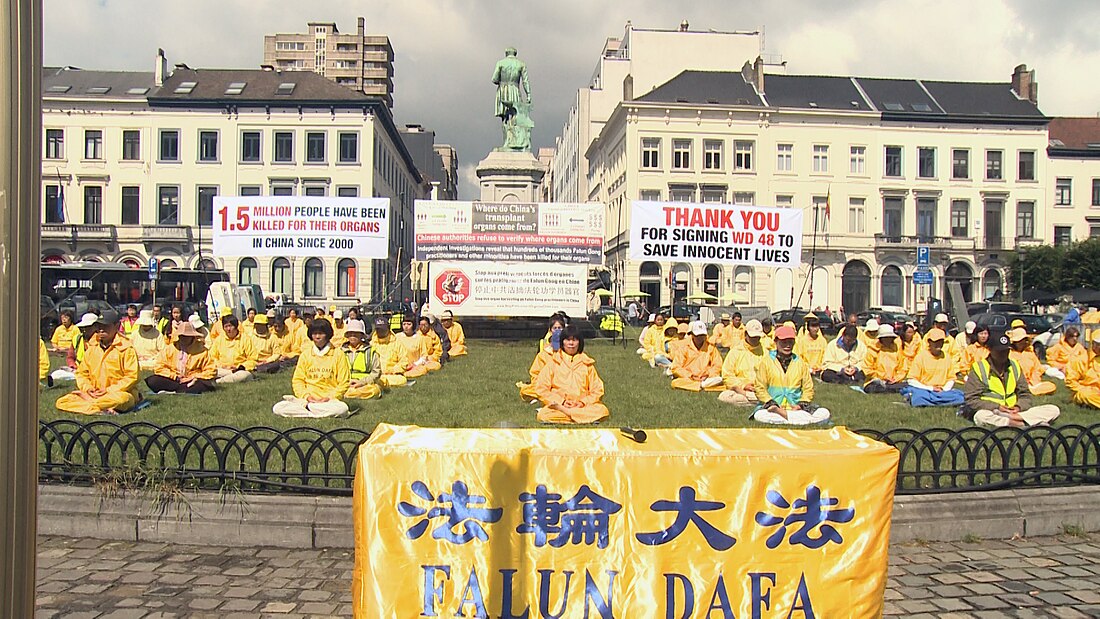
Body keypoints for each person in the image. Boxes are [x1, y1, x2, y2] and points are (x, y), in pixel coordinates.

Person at [960, 329, 1061, 427]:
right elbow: (971, 399)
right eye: (999, 351)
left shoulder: (1015, 366)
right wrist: (997, 407)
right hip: (992, 411)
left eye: (1006, 351)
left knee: (1053, 409)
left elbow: (1025, 394)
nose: (1003, 354)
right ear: (990, 350)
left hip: (1014, 411)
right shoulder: (979, 368)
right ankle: (1022, 423)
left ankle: (1013, 419)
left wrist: (1018, 407)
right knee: (981, 417)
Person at [55, 311, 141, 415]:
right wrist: (88, 389)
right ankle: (99, 408)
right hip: (93, 393)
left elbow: (132, 377)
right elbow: (82, 373)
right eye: (99, 326)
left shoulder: (126, 348)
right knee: (62, 401)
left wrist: (109, 390)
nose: (101, 329)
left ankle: (90, 406)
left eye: (105, 326)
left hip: (117, 394)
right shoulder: (92, 347)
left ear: (117, 326)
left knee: (123, 399)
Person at [750, 325, 830, 425]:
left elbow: (808, 388)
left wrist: (801, 404)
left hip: (796, 408)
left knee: (824, 412)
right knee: (760, 415)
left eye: (790, 342)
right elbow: (760, 387)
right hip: (773, 407)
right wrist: (770, 402)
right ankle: (801, 421)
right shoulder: (766, 362)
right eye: (784, 342)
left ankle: (786, 417)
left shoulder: (800, 363)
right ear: (776, 342)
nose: (787, 345)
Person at [273, 319, 351, 418]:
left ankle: (307, 411)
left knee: (342, 409)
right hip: (308, 399)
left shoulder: (338, 354)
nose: (317, 337)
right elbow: (298, 380)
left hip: (329, 401)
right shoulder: (305, 355)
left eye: (321, 333)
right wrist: (307, 397)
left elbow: (344, 382)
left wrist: (329, 397)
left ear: (327, 334)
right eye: (314, 333)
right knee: (278, 407)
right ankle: (313, 410)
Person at [532, 325, 609, 424]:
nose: (571, 343)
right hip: (560, 405)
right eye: (568, 340)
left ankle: (568, 414)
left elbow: (597, 390)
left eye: (575, 340)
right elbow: (541, 389)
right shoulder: (553, 363)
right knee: (543, 414)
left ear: (580, 343)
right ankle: (581, 418)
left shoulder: (587, 364)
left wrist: (582, 402)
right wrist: (562, 401)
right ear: (562, 342)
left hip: (582, 406)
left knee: (602, 410)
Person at [145, 321, 217, 394]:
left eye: (186, 336)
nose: (183, 339)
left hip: (193, 380)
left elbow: (211, 370)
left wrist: (194, 377)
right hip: (174, 379)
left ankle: (178, 389)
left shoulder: (202, 350)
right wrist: (175, 377)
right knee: (152, 380)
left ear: (192, 337)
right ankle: (181, 389)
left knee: (201, 384)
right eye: (181, 336)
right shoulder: (170, 349)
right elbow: (159, 367)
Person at [903, 328, 965, 407]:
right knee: (919, 397)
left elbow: (951, 378)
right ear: (929, 342)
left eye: (940, 342)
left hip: (943, 391)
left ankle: (934, 401)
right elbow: (911, 380)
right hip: (925, 390)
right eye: (935, 342)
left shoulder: (947, 357)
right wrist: (931, 388)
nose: (938, 344)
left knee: (960, 396)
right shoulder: (921, 356)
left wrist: (943, 389)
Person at [718, 320, 768, 406]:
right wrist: (743, 386)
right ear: (745, 334)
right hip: (740, 390)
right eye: (753, 337)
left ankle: (757, 400)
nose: (755, 339)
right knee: (724, 396)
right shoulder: (735, 351)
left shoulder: (766, 352)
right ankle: (761, 401)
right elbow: (727, 376)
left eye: (757, 337)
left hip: (760, 389)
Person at [518, 317, 565, 401]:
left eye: (560, 328)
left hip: (564, 384)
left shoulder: (569, 349)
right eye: (555, 328)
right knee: (526, 390)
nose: (557, 330)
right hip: (545, 384)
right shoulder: (543, 354)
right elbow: (535, 373)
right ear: (550, 330)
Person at [670, 321, 725, 392]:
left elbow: (717, 365)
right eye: (697, 335)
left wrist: (708, 374)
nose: (700, 338)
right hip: (689, 378)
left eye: (702, 335)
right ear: (692, 334)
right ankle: (702, 386)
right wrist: (691, 376)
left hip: (707, 378)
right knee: (675, 383)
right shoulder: (684, 347)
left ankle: (701, 385)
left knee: (720, 379)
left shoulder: (711, 347)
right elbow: (676, 367)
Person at [1008, 327, 1056, 396]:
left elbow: (1038, 368)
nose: (1021, 342)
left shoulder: (1030, 353)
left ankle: (1030, 390)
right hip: (1016, 383)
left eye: (1023, 340)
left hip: (1032, 383)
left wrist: (1034, 381)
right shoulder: (1010, 354)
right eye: (1019, 340)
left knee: (1051, 386)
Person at [209, 315, 257, 384]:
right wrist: (222, 366)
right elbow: (212, 357)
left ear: (236, 326)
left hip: (240, 370)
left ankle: (218, 381)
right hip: (223, 369)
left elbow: (253, 359)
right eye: (226, 326)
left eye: (230, 326)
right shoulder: (219, 339)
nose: (228, 329)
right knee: (210, 371)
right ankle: (228, 377)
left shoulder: (245, 339)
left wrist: (239, 367)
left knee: (244, 375)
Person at [343, 319, 382, 400]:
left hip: (365, 383)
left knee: (374, 390)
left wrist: (361, 382)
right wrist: (347, 382)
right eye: (350, 333)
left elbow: (376, 372)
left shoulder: (371, 351)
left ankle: (350, 394)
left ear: (361, 335)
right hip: (345, 382)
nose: (353, 336)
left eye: (356, 334)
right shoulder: (340, 351)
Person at [864, 324, 908, 393]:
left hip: (893, 381)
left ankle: (889, 388)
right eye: (886, 337)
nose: (888, 339)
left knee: (907, 385)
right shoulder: (872, 350)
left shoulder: (897, 349)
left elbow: (902, 368)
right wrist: (882, 377)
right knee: (874, 386)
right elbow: (867, 369)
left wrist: (896, 378)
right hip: (876, 380)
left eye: (890, 337)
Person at [371, 316, 409, 387]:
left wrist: (393, 370)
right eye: (378, 329)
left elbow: (403, 361)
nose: (380, 332)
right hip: (375, 374)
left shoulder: (397, 343)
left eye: (383, 329)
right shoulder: (371, 344)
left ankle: (380, 382)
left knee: (402, 380)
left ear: (388, 329)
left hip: (392, 375)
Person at [1066, 331, 1100, 409]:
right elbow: (1070, 381)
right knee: (1086, 395)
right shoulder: (1080, 360)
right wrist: (1084, 389)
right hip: (1087, 392)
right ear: (1092, 344)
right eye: (1098, 344)